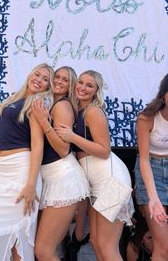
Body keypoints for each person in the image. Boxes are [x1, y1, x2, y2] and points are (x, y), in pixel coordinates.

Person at [0, 63, 54, 261]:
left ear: (48, 86)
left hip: (20, 171)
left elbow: (37, 145)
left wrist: (31, 184)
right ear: (30, 73)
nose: (39, 80)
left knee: (18, 237)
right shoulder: (15, 98)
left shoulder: (37, 102)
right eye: (37, 74)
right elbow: (2, 132)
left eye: (45, 79)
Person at [56, 70, 134, 261]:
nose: (82, 87)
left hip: (112, 182)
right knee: (97, 241)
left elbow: (104, 150)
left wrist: (72, 137)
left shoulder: (93, 111)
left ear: (96, 90)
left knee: (107, 247)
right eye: (80, 82)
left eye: (89, 85)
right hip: (99, 183)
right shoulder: (78, 110)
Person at [32, 66, 90, 261]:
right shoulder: (53, 104)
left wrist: (44, 123)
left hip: (63, 180)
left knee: (43, 251)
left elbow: (63, 149)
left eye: (65, 80)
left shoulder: (62, 106)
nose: (58, 81)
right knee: (42, 249)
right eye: (57, 77)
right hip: (53, 180)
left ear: (71, 86)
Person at [134, 73, 168, 260]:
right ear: (163, 94)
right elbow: (144, 160)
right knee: (163, 247)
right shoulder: (147, 118)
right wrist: (153, 198)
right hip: (151, 173)